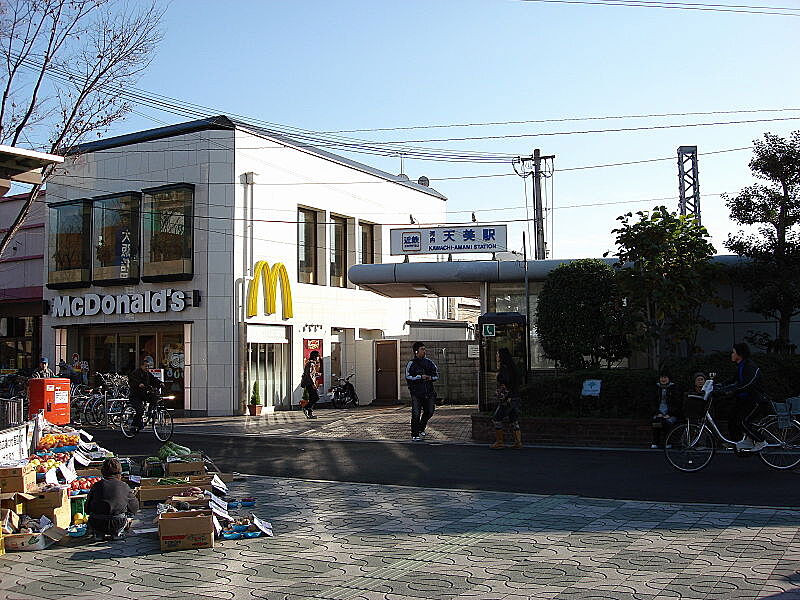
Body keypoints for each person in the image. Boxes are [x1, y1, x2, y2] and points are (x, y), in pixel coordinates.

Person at [722, 342, 767, 451]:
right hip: (744, 399)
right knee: (732, 418)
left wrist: (732, 391)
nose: (731, 355)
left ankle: (761, 441)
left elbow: (748, 384)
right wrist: (719, 386)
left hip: (755, 400)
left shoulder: (750, 366)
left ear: (739, 354)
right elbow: (733, 380)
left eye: (733, 352)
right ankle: (736, 442)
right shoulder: (740, 366)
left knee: (742, 421)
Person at [86, 457, 138, 541]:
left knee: (96, 519)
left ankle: (99, 534)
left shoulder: (96, 485)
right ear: (120, 473)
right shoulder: (124, 486)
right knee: (129, 514)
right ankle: (117, 533)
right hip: (117, 523)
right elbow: (134, 506)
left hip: (97, 523)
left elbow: (87, 508)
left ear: (103, 472)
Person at [405, 341, 439, 442]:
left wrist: (430, 378)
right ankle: (414, 434)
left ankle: (421, 427)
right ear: (416, 351)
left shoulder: (429, 362)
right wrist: (420, 377)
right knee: (416, 413)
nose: (424, 351)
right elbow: (408, 377)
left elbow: (436, 375)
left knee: (430, 411)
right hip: (416, 393)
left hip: (429, 392)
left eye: (424, 349)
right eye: (422, 349)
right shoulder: (411, 363)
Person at [490, 348, 522, 449]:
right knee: (514, 420)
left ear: (501, 356)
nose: (497, 356)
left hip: (507, 399)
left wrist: (501, 392)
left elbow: (505, 382)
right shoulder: (513, 367)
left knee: (496, 419)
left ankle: (500, 442)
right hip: (516, 397)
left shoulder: (504, 368)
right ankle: (518, 442)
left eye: (498, 354)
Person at [127, 358, 163, 431]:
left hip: (144, 394)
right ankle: (133, 425)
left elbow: (153, 379)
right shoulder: (136, 373)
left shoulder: (147, 374)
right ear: (141, 366)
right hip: (135, 395)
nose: (147, 368)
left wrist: (160, 383)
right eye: (146, 366)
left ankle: (150, 411)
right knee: (140, 411)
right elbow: (132, 381)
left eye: (148, 366)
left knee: (154, 396)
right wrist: (139, 384)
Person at [651, 372, 681, 449]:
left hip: (670, 413)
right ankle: (655, 442)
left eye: (665, 377)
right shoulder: (656, 387)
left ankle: (668, 442)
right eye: (662, 377)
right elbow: (653, 402)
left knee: (667, 423)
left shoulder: (673, 388)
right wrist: (657, 412)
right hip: (659, 412)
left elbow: (676, 403)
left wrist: (670, 413)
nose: (663, 379)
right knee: (656, 422)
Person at [300, 350, 320, 419]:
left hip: (309, 383)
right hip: (310, 384)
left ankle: (310, 414)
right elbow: (309, 374)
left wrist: (316, 374)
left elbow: (310, 374)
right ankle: (306, 407)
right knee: (316, 397)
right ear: (315, 357)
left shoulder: (310, 364)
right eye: (318, 356)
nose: (318, 358)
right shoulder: (311, 364)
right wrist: (313, 383)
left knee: (312, 397)